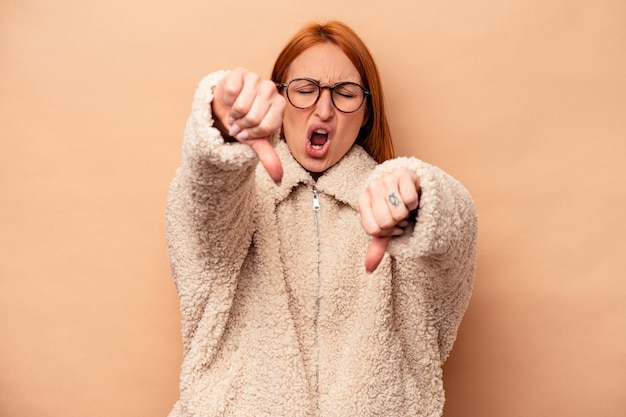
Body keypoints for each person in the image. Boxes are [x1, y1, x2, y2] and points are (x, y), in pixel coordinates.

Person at [166, 20, 477, 417]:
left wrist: (421, 201)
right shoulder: (235, 200)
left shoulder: (396, 210)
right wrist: (222, 130)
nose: (324, 109)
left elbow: (455, 252)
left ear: (366, 113)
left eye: (345, 93)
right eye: (305, 90)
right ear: (278, 100)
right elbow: (201, 203)